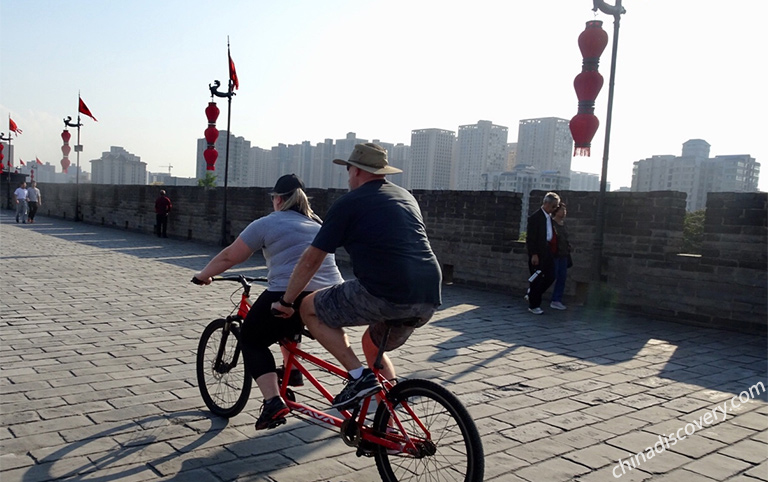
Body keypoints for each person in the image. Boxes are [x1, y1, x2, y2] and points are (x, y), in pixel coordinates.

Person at [271, 143, 442, 410]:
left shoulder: (350, 202)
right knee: (371, 345)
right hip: (429, 295)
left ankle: (357, 377)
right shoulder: (406, 196)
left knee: (309, 308)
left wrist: (287, 300)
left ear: (358, 171)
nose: (348, 176)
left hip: (383, 292)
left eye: (348, 170)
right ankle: (390, 416)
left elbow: (311, 259)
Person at [192, 174, 343, 431]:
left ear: (279, 200)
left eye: (274, 197)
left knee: (251, 338)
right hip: (330, 296)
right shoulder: (316, 223)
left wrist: (203, 275)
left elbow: (231, 255)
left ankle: (273, 402)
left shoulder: (268, 223)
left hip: (288, 292)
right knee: (287, 322)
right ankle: (291, 371)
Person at [525, 192, 561, 314]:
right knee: (537, 278)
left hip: (547, 250)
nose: (554, 209)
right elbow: (531, 238)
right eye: (553, 206)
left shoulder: (549, 218)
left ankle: (533, 294)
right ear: (546, 203)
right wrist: (534, 254)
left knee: (551, 275)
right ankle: (534, 305)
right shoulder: (535, 218)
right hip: (538, 251)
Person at [550, 202, 572, 310]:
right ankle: (534, 292)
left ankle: (556, 299)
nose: (563, 212)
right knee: (550, 276)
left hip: (563, 254)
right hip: (554, 254)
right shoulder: (551, 224)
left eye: (565, 210)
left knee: (562, 277)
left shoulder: (564, 224)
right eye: (561, 210)